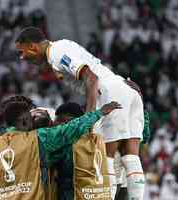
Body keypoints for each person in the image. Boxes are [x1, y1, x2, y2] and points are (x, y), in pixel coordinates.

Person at [15, 27, 145, 200]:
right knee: (130, 156)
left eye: (22, 52)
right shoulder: (62, 45)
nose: (22, 57)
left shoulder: (56, 54)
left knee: (105, 157)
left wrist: (88, 119)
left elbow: (92, 78)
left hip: (108, 92)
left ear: (33, 47)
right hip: (124, 87)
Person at [53, 102, 110, 200]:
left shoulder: (67, 144)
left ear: (70, 121)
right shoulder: (99, 140)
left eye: (59, 120)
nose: (54, 124)